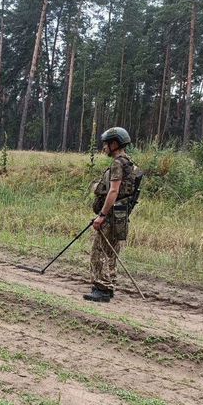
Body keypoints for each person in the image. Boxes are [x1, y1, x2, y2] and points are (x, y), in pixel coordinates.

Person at [84, 127, 137, 302]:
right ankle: (109, 286)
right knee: (112, 251)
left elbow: (113, 191)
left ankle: (102, 288)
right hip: (121, 214)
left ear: (115, 144)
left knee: (99, 251)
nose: (104, 147)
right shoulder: (130, 163)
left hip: (112, 214)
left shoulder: (117, 164)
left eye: (106, 144)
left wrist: (102, 215)